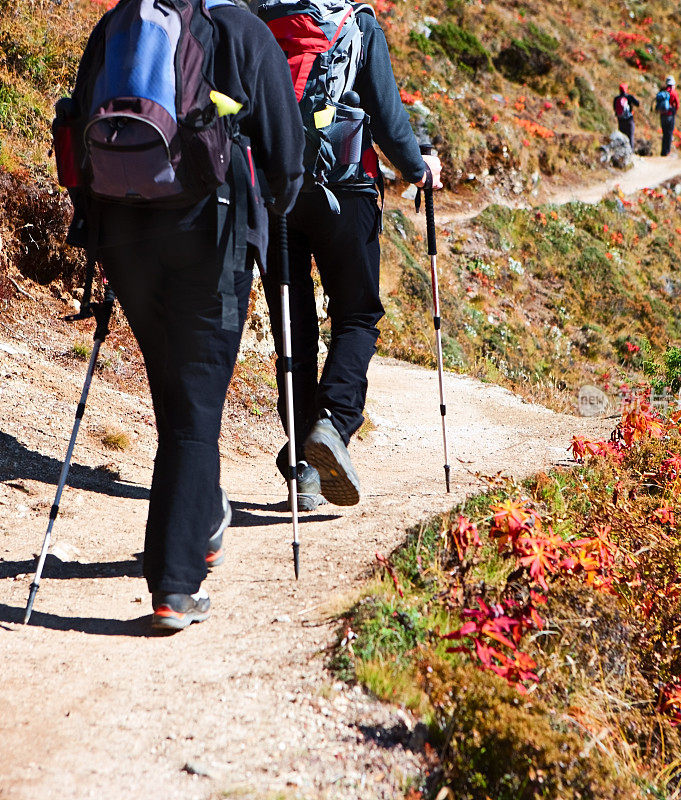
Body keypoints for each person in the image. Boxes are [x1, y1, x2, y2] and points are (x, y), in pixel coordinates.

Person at [65, 0, 304, 630]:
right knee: (196, 404)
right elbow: (285, 154)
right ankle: (175, 582)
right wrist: (274, 201)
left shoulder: (117, 27)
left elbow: (76, 123)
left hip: (121, 232)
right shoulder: (241, 30)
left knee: (176, 394)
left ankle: (196, 526)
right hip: (209, 235)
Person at [258, 2, 443, 510]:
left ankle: (302, 469)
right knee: (357, 316)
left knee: (293, 331)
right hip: (346, 188)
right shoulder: (357, 22)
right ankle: (333, 425)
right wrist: (417, 167)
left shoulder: (258, 19)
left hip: (275, 193)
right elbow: (385, 113)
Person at [654, 75, 679, 156]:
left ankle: (663, 151)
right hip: (670, 115)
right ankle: (667, 152)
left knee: (664, 133)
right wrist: (675, 111)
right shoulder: (673, 92)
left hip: (662, 115)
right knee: (669, 133)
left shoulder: (663, 92)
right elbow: (677, 104)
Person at [612, 82, 640, 151]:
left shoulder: (616, 98)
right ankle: (630, 153)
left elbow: (614, 108)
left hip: (620, 120)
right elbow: (638, 104)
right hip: (629, 120)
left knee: (622, 137)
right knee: (630, 137)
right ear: (626, 89)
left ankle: (622, 152)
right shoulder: (629, 97)